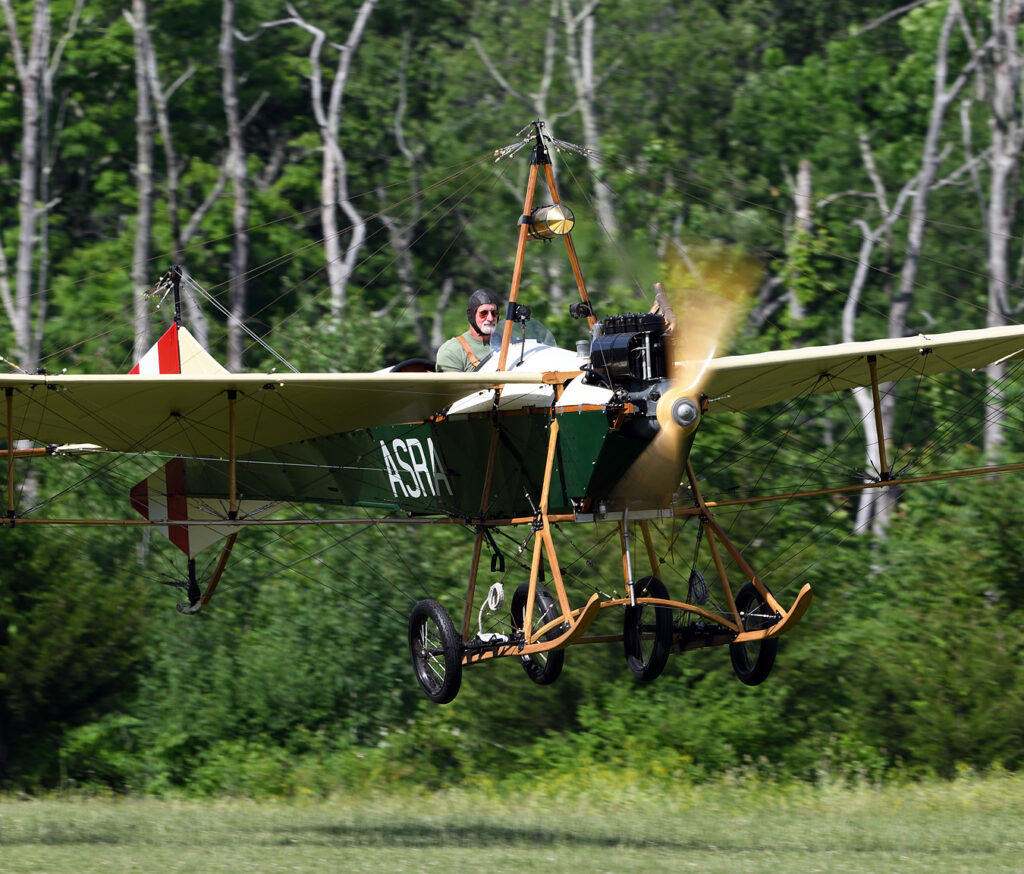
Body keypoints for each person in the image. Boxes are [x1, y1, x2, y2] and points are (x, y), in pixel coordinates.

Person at [436, 288, 502, 372]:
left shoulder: (510, 344)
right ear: (471, 315)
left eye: (494, 313)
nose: (490, 318)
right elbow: (453, 385)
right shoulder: (452, 350)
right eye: (483, 313)